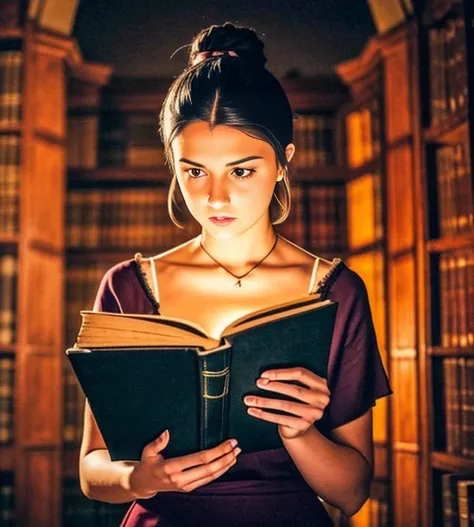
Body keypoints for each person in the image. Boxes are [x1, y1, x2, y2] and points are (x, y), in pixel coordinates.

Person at [78, 22, 392, 527]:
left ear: (283, 162)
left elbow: (353, 493)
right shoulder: (128, 286)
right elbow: (93, 470)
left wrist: (300, 433)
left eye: (242, 170)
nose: (215, 197)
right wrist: (142, 480)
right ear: (173, 165)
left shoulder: (337, 293)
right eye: (194, 170)